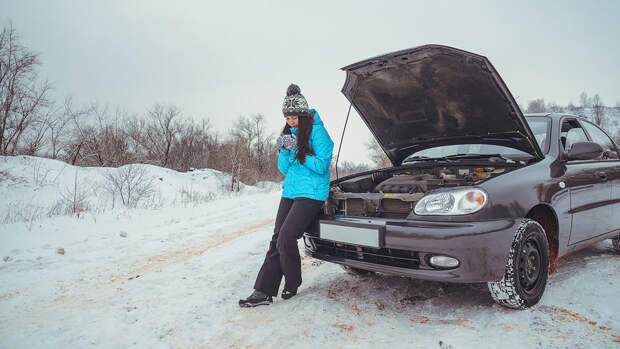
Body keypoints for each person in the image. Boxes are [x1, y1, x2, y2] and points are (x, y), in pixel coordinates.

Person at [239, 83, 334, 307]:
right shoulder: (289, 134)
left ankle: (292, 281)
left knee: (286, 237)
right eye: (287, 118)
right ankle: (263, 291)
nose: (291, 122)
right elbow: (284, 169)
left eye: (295, 118)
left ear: (303, 115)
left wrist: (301, 152)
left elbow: (321, 165)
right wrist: (284, 151)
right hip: (291, 190)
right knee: (276, 238)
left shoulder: (319, 133)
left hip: (312, 192)